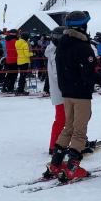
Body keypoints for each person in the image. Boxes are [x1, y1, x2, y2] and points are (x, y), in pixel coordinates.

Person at [44, 11, 101, 182]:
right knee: (79, 131)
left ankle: (55, 163)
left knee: (68, 127)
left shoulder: (62, 44)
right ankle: (72, 167)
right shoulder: (83, 47)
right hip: (80, 94)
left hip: (67, 93)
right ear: (83, 26)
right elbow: (88, 74)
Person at [45, 26, 66, 154]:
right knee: (62, 119)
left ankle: (59, 144)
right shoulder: (56, 53)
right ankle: (54, 146)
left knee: (67, 119)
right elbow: (58, 75)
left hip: (60, 91)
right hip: (61, 92)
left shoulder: (55, 50)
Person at [14, 31, 31, 95]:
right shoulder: (25, 44)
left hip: (19, 60)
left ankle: (20, 89)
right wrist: (32, 54)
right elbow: (27, 54)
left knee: (22, 76)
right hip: (24, 61)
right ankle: (20, 90)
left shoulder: (17, 42)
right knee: (23, 77)